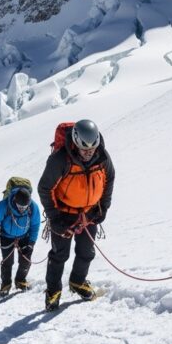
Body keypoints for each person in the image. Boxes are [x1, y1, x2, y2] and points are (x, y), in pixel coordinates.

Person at [38, 120, 115, 311]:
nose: (88, 152)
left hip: (89, 213)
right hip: (63, 214)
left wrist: (103, 208)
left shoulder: (103, 157)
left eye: (92, 148)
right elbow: (45, 188)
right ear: (75, 142)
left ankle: (77, 282)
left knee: (86, 252)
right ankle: (53, 291)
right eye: (84, 148)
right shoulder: (60, 160)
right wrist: (55, 218)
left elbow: (109, 179)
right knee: (59, 255)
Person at [0, 182, 41, 296]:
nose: (22, 209)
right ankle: (6, 284)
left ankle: (20, 280)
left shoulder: (33, 207)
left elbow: (35, 225)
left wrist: (31, 242)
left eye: (25, 207)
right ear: (15, 200)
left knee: (26, 260)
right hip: (6, 236)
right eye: (20, 206)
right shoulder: (4, 205)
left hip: (24, 236)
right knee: (7, 262)